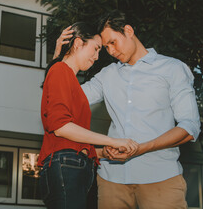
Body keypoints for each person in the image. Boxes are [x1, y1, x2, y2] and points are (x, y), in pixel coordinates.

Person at [54, 10, 201, 208]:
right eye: (106, 47)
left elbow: (189, 127)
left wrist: (141, 149)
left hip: (161, 178)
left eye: (113, 42)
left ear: (128, 30)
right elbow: (63, 99)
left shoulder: (172, 68)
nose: (111, 51)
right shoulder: (107, 75)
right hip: (111, 181)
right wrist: (60, 59)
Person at [38, 22, 139, 209]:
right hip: (66, 167)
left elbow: (51, 97)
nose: (97, 56)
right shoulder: (61, 71)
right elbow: (60, 127)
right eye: (96, 48)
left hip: (74, 166)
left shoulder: (68, 78)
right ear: (78, 43)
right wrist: (114, 141)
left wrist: (101, 152)